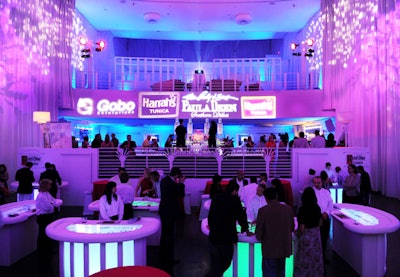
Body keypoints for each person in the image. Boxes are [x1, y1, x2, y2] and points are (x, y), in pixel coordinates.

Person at [206, 182, 251, 277]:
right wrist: (246, 230)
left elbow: (210, 214)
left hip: (214, 235)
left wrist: (211, 226)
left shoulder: (216, 197)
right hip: (227, 238)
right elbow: (241, 216)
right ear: (234, 190)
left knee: (215, 263)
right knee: (225, 262)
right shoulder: (235, 200)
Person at [256, 188, 295, 277]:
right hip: (284, 249)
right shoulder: (288, 209)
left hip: (269, 250)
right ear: (276, 196)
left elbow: (259, 234)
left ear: (265, 198)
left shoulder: (263, 211)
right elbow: (292, 228)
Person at [158, 167, 186, 275]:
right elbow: (180, 194)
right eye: (178, 176)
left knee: (166, 234)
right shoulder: (171, 183)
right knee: (169, 235)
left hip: (165, 211)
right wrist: (181, 183)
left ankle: (163, 257)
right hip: (169, 212)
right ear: (176, 175)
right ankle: (168, 259)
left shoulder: (165, 181)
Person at [294, 187, 324, 276]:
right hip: (316, 235)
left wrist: (296, 232)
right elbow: (320, 223)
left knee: (305, 258)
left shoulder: (302, 210)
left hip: (307, 236)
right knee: (315, 258)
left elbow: (302, 228)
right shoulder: (317, 207)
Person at [36, 179, 63, 253]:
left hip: (46, 216)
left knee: (45, 234)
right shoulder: (42, 196)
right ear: (45, 185)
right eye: (49, 184)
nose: (51, 186)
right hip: (43, 217)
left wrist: (52, 204)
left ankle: (47, 249)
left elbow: (53, 202)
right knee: (43, 235)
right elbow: (48, 208)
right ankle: (43, 250)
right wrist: (53, 205)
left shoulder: (46, 193)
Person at [312, 176, 333, 264]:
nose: (317, 184)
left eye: (319, 182)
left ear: (322, 182)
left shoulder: (326, 192)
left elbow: (330, 203)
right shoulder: (311, 192)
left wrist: (327, 213)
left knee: (324, 238)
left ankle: (323, 257)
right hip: (315, 219)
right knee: (315, 239)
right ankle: (314, 258)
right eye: (315, 183)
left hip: (326, 217)